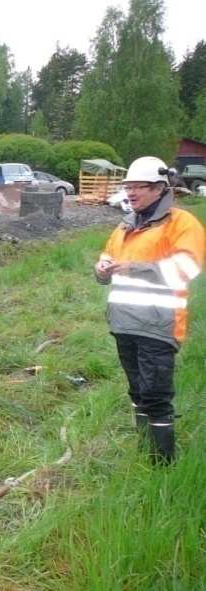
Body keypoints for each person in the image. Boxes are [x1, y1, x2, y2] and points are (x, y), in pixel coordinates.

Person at [94, 156, 204, 464]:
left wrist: (131, 267)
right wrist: (102, 269)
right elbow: (108, 257)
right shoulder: (126, 223)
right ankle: (145, 454)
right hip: (124, 325)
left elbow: (186, 267)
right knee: (137, 392)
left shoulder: (182, 223)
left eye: (137, 187)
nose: (129, 193)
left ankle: (162, 466)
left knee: (156, 397)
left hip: (158, 326)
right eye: (127, 187)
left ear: (158, 188)